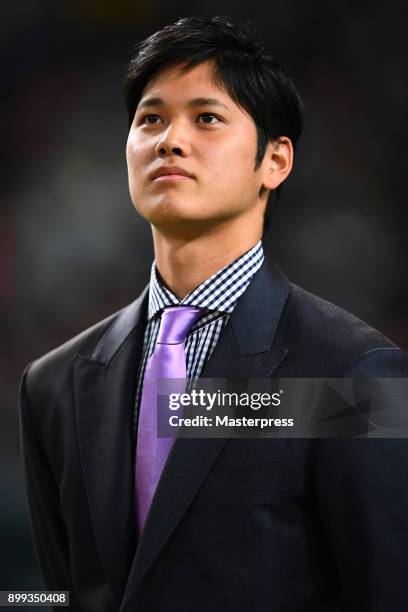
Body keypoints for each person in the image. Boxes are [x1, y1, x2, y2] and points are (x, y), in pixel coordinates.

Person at [19, 16, 408, 612]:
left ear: (275, 161)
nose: (169, 140)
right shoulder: (52, 383)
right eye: (150, 119)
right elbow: (55, 595)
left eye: (207, 118)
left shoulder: (352, 372)